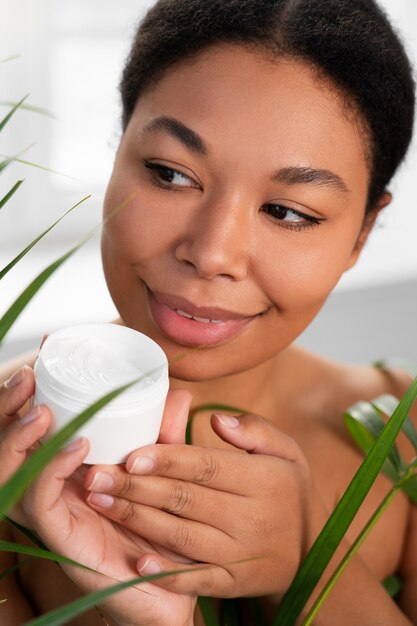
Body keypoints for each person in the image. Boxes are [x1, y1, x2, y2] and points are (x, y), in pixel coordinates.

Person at [0, 0, 416, 624]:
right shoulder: (9, 450)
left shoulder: (404, 438)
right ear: (116, 149)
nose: (212, 254)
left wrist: (312, 559)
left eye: (288, 212)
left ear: (362, 233)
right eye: (170, 174)